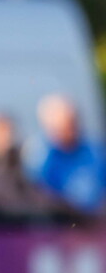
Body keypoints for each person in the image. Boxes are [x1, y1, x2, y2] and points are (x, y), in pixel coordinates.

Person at [32, 93, 106, 223]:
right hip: (60, 226)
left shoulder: (95, 150)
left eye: (73, 122)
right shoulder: (40, 158)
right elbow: (40, 197)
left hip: (96, 227)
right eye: (65, 126)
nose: (71, 129)